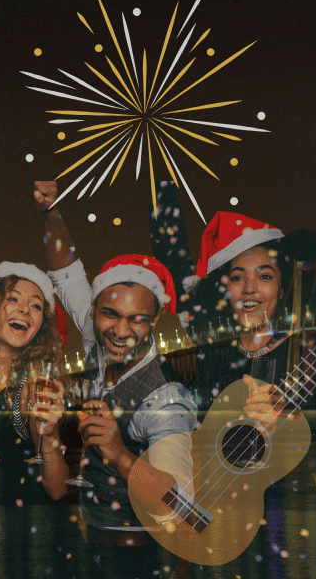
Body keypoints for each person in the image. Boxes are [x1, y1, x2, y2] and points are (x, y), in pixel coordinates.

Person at [147, 178, 316, 579]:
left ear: (282, 284)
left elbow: (315, 452)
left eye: (265, 276)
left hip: (290, 539)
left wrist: (285, 420)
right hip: (218, 538)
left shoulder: (309, 353)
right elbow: (174, 259)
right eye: (237, 277)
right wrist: (163, 181)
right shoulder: (209, 356)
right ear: (224, 288)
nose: (250, 289)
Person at [36, 184, 198, 579]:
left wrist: (120, 454)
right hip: (93, 546)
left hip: (144, 559)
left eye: (137, 319)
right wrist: (50, 210)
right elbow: (65, 272)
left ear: (155, 320)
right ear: (92, 310)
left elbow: (186, 510)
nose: (121, 331)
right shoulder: (97, 337)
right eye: (110, 314)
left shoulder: (164, 401)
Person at [0, 262, 83, 577]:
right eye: (13, 299)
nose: (25, 309)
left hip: (48, 553)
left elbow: (56, 490)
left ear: (41, 324)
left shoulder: (34, 388)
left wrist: (49, 435)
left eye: (36, 305)